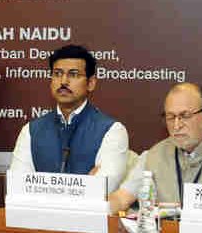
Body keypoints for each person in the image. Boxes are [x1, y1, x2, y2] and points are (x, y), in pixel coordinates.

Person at [108, 83, 202, 212]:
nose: (176, 125)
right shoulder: (153, 156)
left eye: (185, 116)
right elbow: (121, 198)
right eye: (170, 117)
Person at [9, 44, 128, 193]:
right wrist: (85, 185)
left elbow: (101, 191)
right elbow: (18, 188)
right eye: (58, 74)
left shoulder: (112, 131)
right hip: (40, 215)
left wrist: (41, 189)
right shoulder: (31, 131)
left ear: (91, 83)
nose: (63, 81)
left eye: (73, 74)